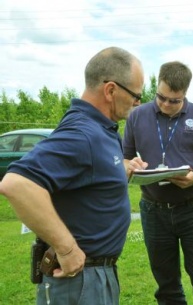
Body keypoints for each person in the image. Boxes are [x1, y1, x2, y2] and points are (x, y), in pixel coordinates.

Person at [0, 47, 144, 305]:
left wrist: (120, 169)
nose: (137, 103)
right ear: (110, 90)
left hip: (93, 276)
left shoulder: (101, 129)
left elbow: (87, 176)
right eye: (135, 95)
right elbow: (17, 184)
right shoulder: (83, 133)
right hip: (80, 279)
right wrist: (66, 248)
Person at [123, 61, 193, 305]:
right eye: (161, 97)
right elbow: (125, 157)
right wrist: (130, 166)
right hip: (153, 210)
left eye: (174, 100)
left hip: (192, 209)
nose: (166, 104)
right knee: (166, 285)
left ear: (185, 94)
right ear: (156, 87)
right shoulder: (136, 116)